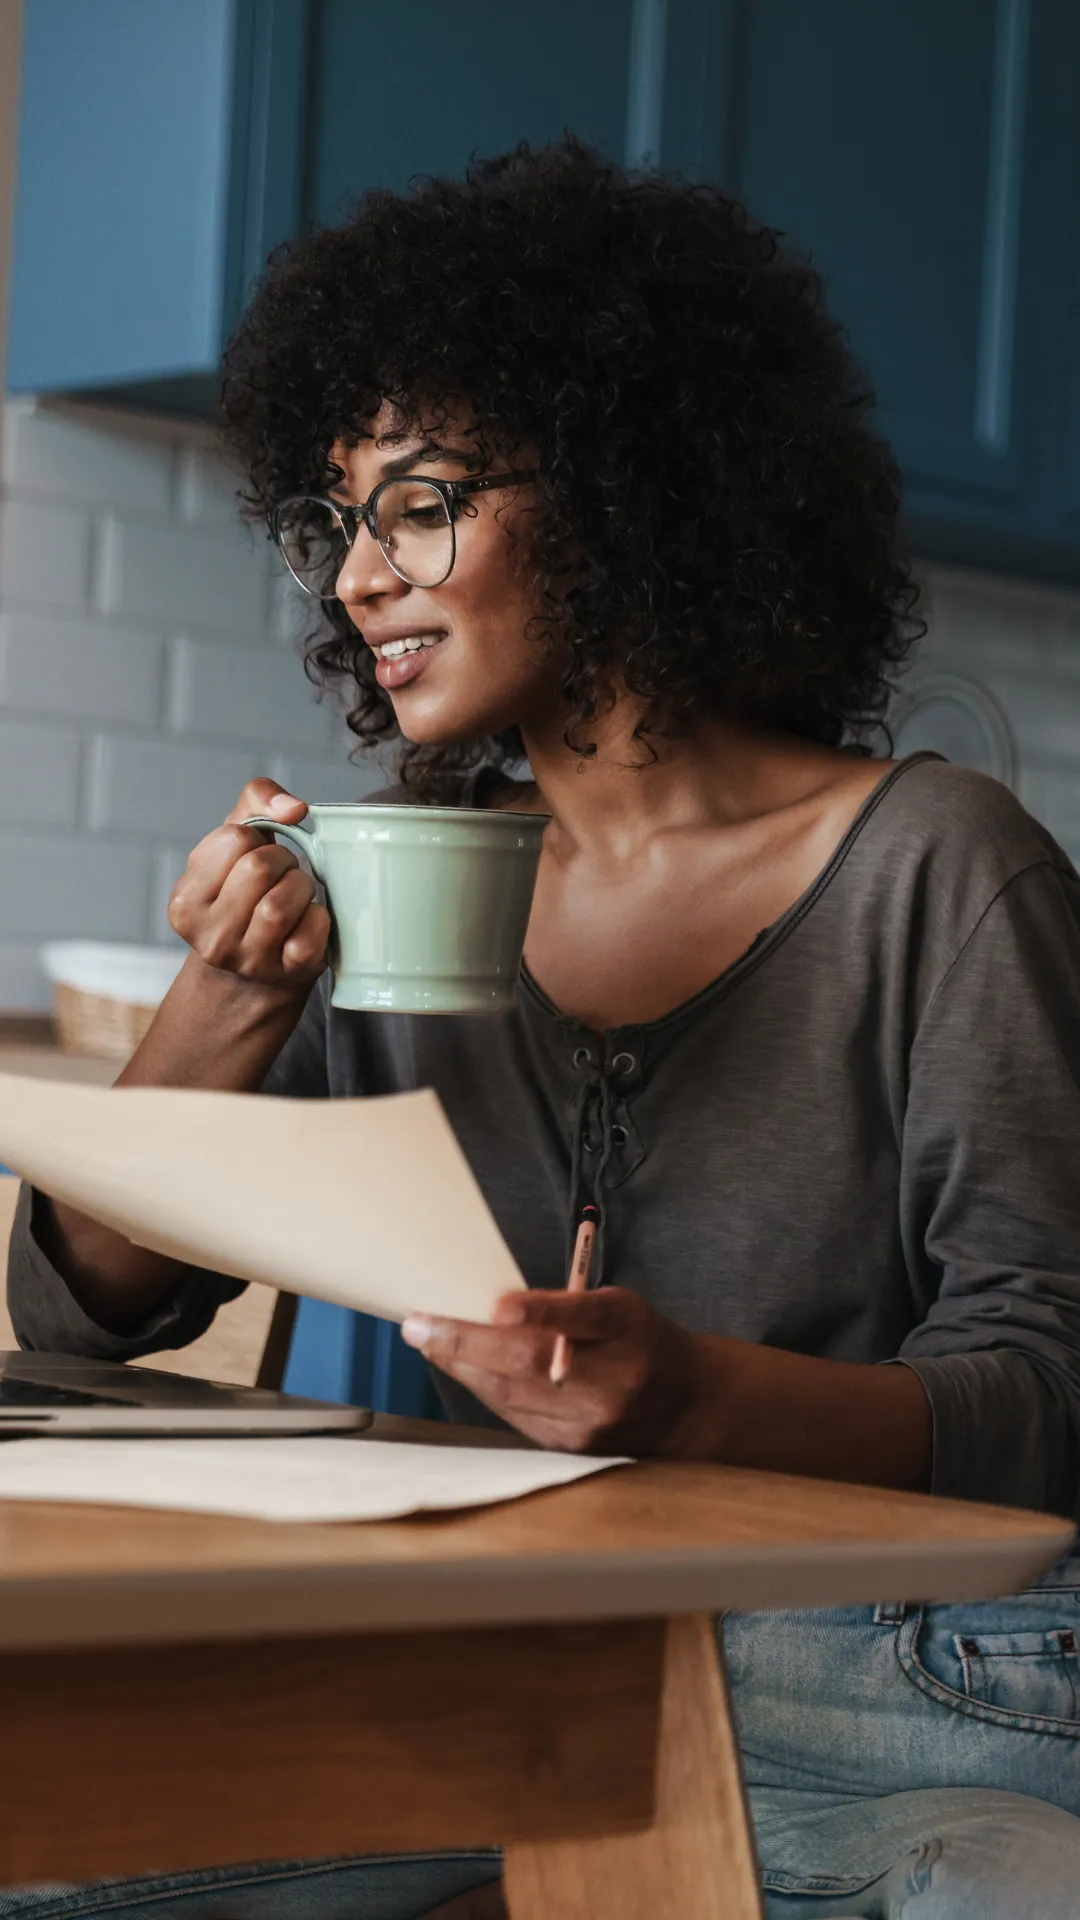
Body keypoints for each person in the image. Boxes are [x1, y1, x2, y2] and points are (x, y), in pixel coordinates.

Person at [7, 139, 1080, 1919]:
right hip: (498, 1649)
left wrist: (688, 1396)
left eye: (420, 504)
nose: (356, 579)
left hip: (884, 1670)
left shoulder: (939, 869)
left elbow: (1046, 1402)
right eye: (337, 520)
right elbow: (84, 1315)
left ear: (623, 488)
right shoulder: (401, 875)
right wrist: (233, 996)